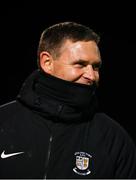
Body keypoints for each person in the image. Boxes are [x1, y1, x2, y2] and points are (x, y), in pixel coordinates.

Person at [0, 21, 136, 179]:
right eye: (80, 64)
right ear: (47, 62)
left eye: (96, 67)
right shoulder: (4, 122)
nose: (91, 76)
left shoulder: (113, 139)